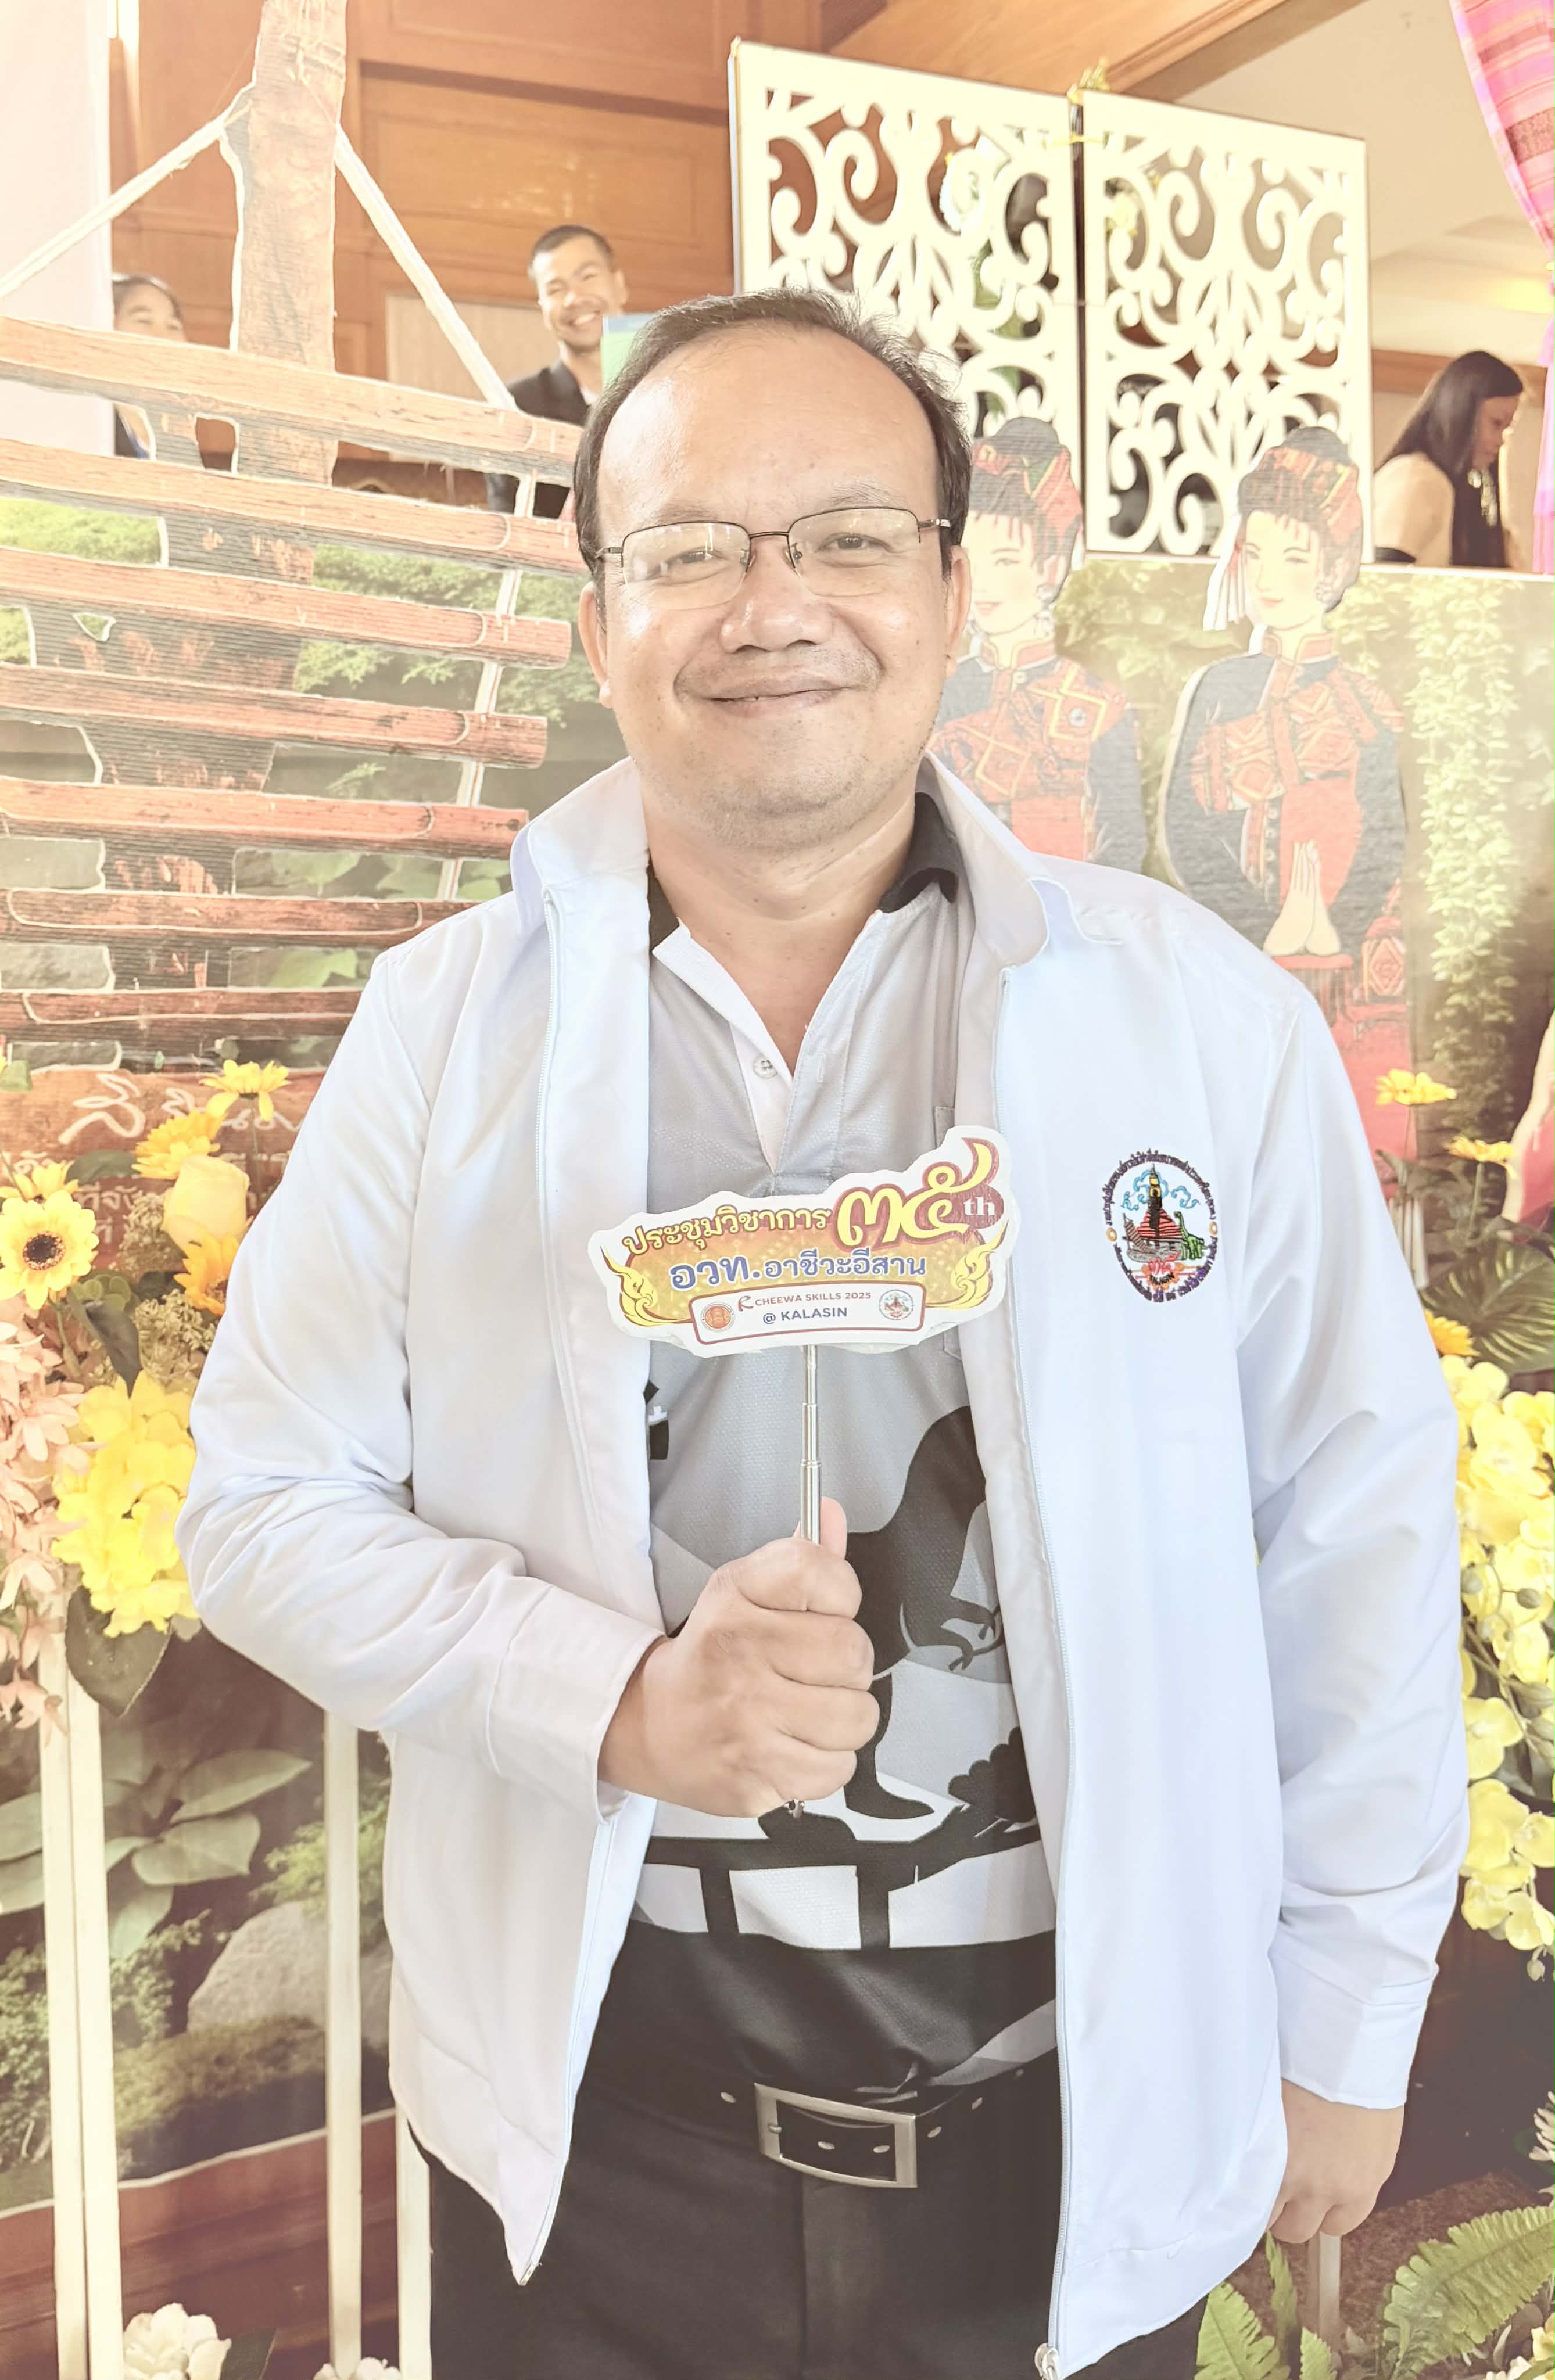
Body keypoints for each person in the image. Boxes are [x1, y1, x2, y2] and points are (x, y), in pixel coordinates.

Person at [180, 290, 1466, 2380]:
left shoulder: (1199, 1025)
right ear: (600, 620)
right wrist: (615, 1703)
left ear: (951, 596)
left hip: (1071, 2136)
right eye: (690, 548)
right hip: (597, 2155)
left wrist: (1345, 2009)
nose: (771, 603)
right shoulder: (444, 1029)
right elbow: (260, 1505)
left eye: (849, 537)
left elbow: (1354, 1518)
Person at [1160, 426, 1414, 1161]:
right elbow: (1185, 825)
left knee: (1343, 1139)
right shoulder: (1216, 687)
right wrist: (1263, 925)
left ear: (1333, 566)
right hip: (1237, 946)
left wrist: (1333, 927)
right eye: (1257, 554)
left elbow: (1387, 834)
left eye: (1295, 557)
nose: (1269, 578)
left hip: (1350, 957)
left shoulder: (1368, 701)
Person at [933, 417, 1146, 870]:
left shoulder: (1098, 705)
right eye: (971, 560)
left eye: (1006, 560)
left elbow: (1123, 842)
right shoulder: (936, 691)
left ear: (1050, 566)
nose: (983, 583)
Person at [486, 220, 629, 519]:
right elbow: (508, 522)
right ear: (542, 307)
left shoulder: (667, 390)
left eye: (587, 277)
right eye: (555, 289)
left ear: (619, 285)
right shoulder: (516, 408)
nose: (574, 298)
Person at [1372, 350, 1526, 570]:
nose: (1501, 441)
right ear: (1461, 412)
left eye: (1507, 428)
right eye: (1496, 423)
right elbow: (1381, 580)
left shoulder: (1470, 492)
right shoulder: (1416, 478)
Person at [110, 270, 185, 457]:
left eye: (173, 326)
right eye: (143, 321)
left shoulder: (179, 438)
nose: (163, 337)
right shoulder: (86, 423)